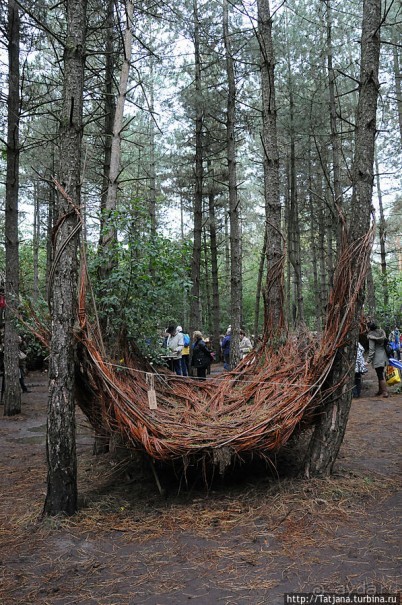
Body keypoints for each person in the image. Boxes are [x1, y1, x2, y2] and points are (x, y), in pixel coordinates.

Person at [367, 321, 389, 398]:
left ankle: (385, 392)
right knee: (380, 373)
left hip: (377, 358)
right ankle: (380, 390)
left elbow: (371, 350)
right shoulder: (382, 332)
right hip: (384, 356)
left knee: (380, 375)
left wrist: (368, 361)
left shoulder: (371, 336)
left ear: (369, 328)